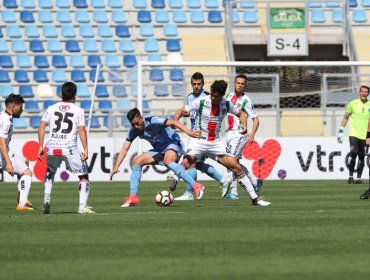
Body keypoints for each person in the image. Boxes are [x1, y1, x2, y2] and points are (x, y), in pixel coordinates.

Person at [175, 80, 271, 206]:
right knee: (186, 163)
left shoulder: (226, 104)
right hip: (199, 141)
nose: (213, 98)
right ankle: (174, 180)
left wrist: (244, 125)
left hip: (215, 143)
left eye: (216, 96)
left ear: (222, 95)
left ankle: (255, 199)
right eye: (212, 95)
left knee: (235, 166)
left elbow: (241, 114)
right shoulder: (202, 101)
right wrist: (184, 129)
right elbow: (180, 111)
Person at [110, 108, 204, 207]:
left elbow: (173, 122)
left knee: (167, 161)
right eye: (133, 124)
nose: (136, 126)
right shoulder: (134, 130)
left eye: (138, 123)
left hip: (172, 143)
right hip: (159, 149)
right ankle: (133, 197)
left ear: (142, 118)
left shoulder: (152, 121)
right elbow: (125, 148)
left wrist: (189, 132)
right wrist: (116, 167)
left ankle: (196, 186)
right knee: (137, 161)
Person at [167, 72, 231, 201]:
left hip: (204, 136)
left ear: (203, 84)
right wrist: (176, 120)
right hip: (194, 133)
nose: (196, 86)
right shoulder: (190, 97)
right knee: (198, 164)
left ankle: (188, 190)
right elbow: (189, 112)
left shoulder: (209, 97)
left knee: (191, 163)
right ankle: (222, 180)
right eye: (194, 84)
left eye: (199, 84)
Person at [38, 82, 95, 214]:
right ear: (75, 96)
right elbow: (81, 129)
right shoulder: (78, 110)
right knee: (83, 176)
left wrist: (41, 145)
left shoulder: (51, 108)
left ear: (61, 95)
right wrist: (86, 149)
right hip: (69, 148)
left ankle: (46, 200)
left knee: (50, 172)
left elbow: (42, 125)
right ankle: (82, 206)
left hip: (52, 147)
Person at [224, 74, 262, 199]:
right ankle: (255, 182)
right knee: (234, 163)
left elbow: (256, 119)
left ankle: (234, 192)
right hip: (229, 132)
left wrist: (252, 134)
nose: (240, 85)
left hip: (239, 133)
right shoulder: (228, 96)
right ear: (234, 83)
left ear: (245, 86)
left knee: (231, 162)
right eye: (238, 83)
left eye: (242, 84)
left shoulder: (246, 101)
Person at [0, 94, 33, 211]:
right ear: (14, 105)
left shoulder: (4, 116)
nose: (22, 110)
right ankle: (22, 204)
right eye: (20, 107)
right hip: (2, 155)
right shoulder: (6, 121)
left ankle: (21, 198)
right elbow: (1, 143)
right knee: (28, 173)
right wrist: (8, 163)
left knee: (25, 161)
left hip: (5, 153)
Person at [337, 85, 370, 184]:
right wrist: (341, 131)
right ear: (359, 92)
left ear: (368, 93)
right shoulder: (352, 103)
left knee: (362, 156)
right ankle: (350, 175)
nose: (364, 93)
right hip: (353, 133)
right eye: (362, 91)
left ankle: (358, 178)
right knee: (354, 153)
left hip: (365, 135)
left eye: (366, 92)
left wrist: (368, 136)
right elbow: (346, 117)